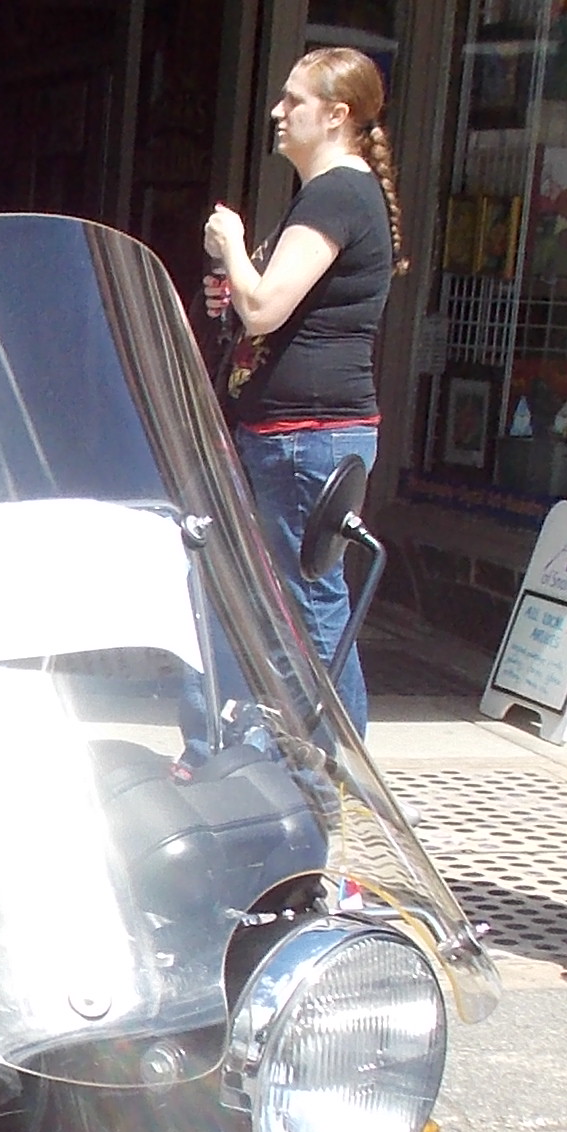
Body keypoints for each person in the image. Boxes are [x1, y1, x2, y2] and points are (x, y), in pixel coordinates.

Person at [203, 46, 402, 728]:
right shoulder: (333, 194)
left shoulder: (336, 193)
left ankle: (331, 764)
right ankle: (284, 754)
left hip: (304, 438)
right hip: (296, 433)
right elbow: (264, 306)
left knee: (309, 606)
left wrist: (232, 242)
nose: (278, 112)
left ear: (337, 115)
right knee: (287, 602)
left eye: (294, 100)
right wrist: (231, 291)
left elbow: (265, 308)